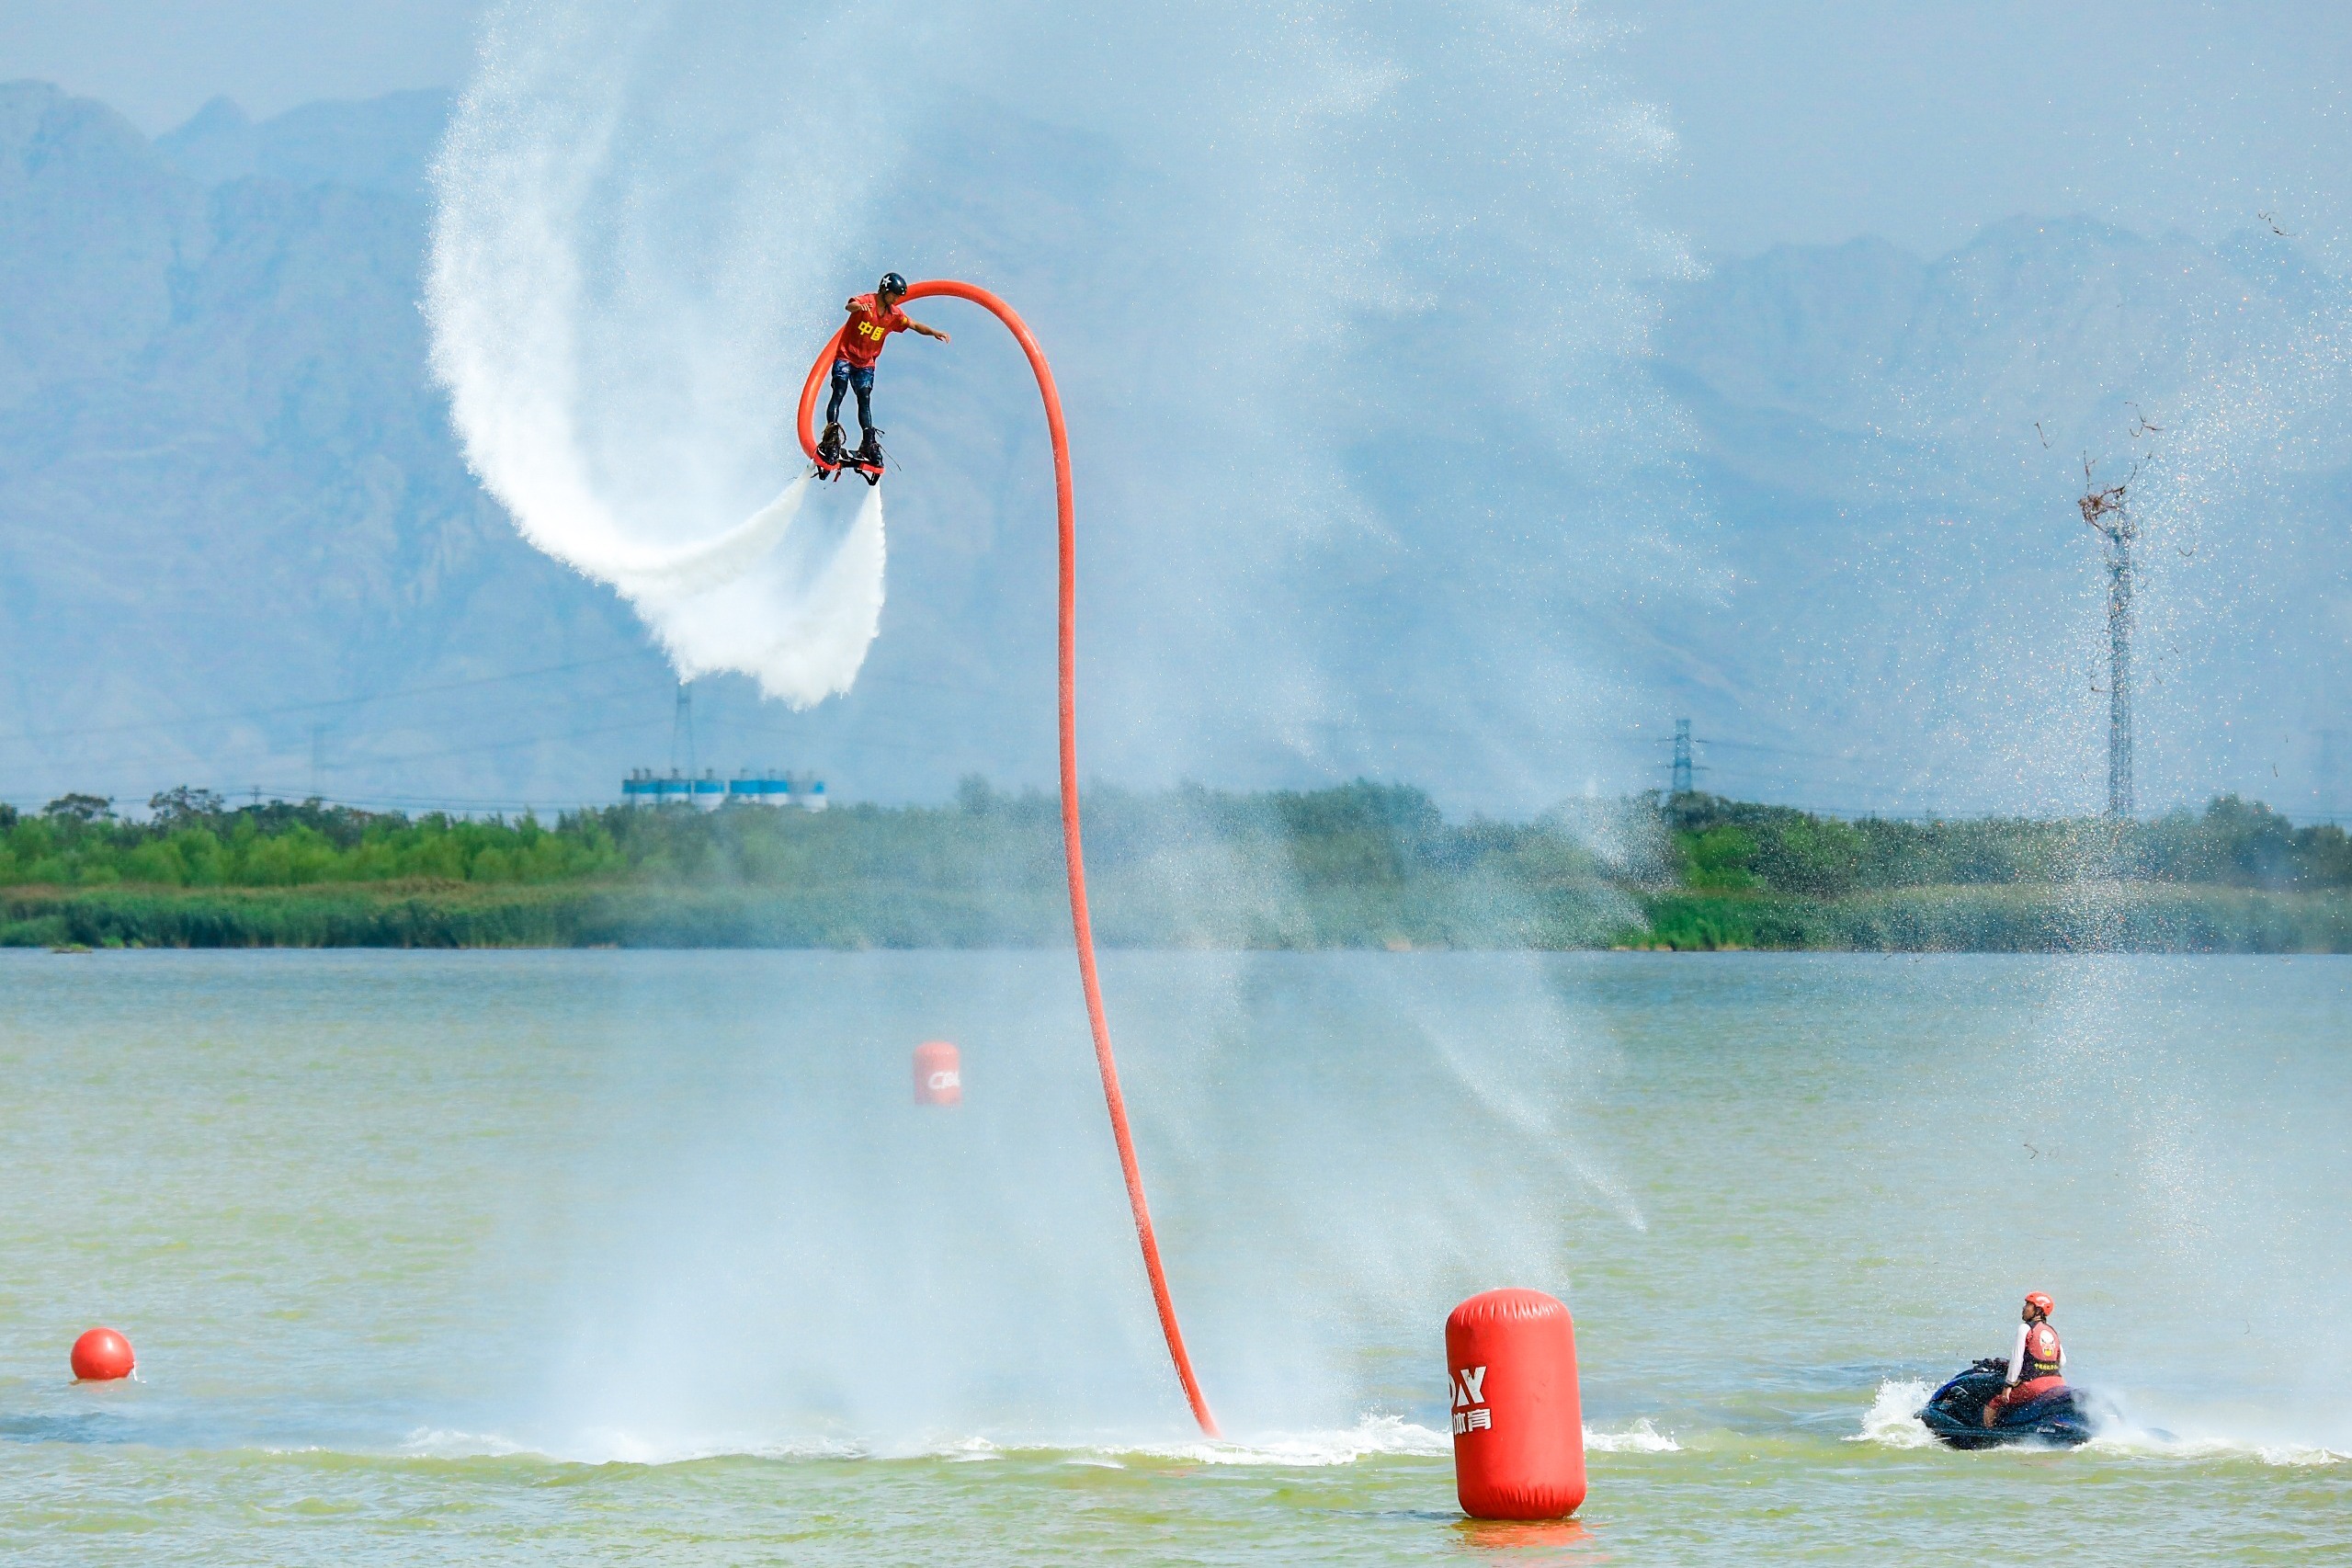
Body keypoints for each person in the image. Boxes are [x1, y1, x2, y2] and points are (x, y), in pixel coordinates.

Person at [822, 272, 949, 467]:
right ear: (885, 290)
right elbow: (850, 305)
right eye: (895, 295)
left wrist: (934, 332)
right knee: (839, 391)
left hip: (865, 364)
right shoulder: (868, 301)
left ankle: (868, 443)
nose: (897, 299)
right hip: (846, 356)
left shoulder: (894, 315)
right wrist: (858, 308)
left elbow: (914, 325)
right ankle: (831, 437)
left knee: (864, 399)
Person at [1983, 1290, 2064, 1426]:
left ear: (2038, 1310)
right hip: (2058, 1383)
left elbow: (2017, 1360)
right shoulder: (2052, 1331)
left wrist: (2008, 1385)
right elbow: (2062, 1361)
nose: (2024, 1308)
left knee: (1994, 1403)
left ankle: (1987, 1437)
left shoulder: (2025, 1328)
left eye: (2028, 1305)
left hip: (2035, 1385)